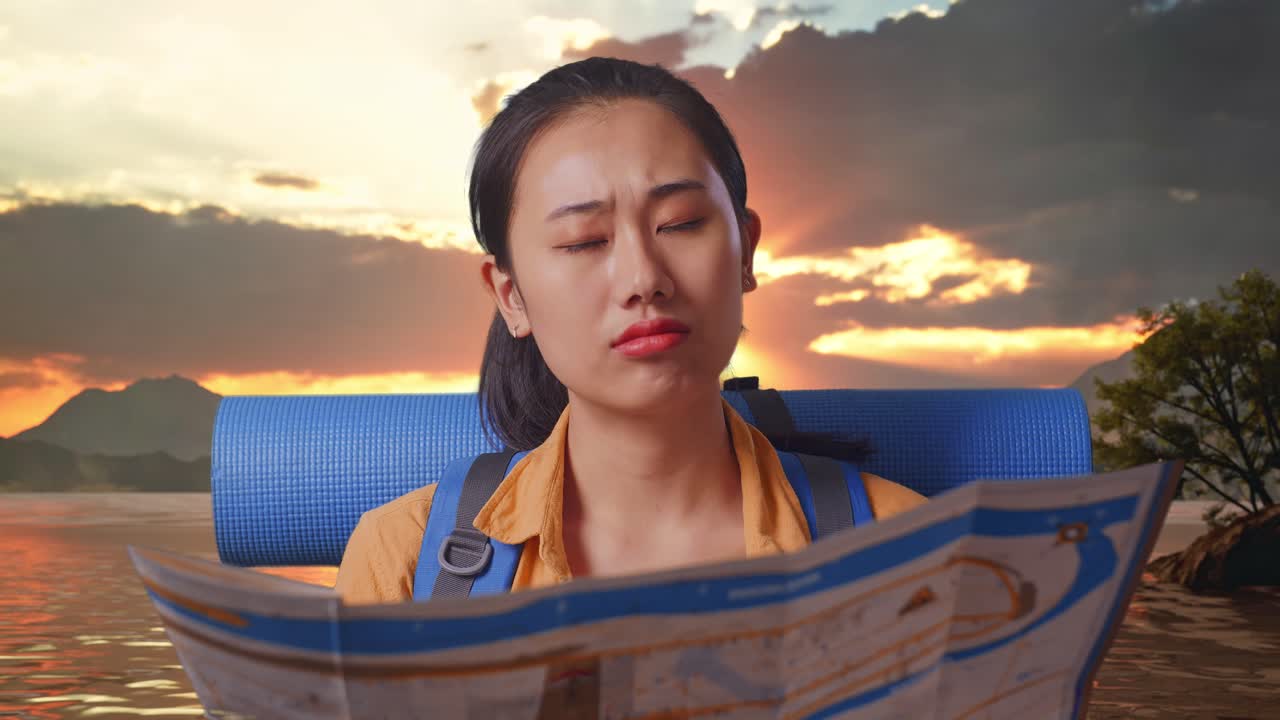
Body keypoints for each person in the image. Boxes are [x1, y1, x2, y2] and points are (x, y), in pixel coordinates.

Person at [334, 56, 926, 605]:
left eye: (682, 223)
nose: (644, 278)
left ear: (746, 251)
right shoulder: (405, 562)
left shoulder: (911, 552)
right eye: (584, 241)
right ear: (511, 297)